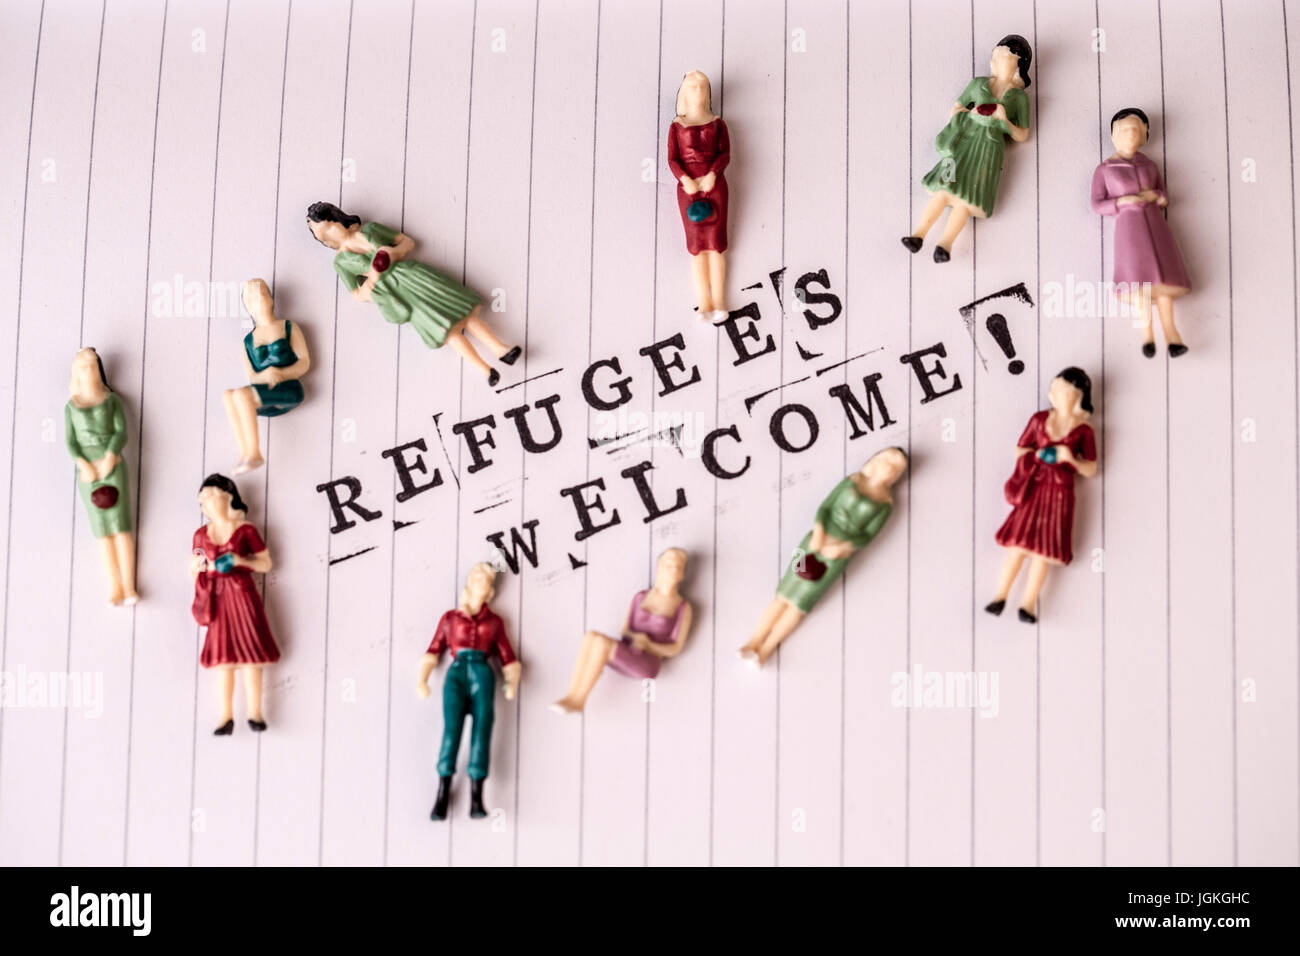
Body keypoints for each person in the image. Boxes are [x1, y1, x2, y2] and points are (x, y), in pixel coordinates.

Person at [307, 202, 521, 385]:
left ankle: (500, 349)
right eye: (321, 237)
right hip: (396, 293)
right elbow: (356, 293)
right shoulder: (341, 262)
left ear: (336, 218)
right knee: (446, 330)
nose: (327, 237)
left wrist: (394, 251)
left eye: (328, 228)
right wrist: (371, 281)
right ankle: (485, 370)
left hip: (414, 275)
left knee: (462, 311)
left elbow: (407, 241)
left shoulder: (371, 230)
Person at [741, 448, 908, 667]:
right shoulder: (852, 481)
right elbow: (825, 508)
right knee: (784, 592)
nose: (889, 468)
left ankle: (765, 650)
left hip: (837, 557)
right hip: (812, 542)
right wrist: (819, 532)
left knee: (800, 603)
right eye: (888, 461)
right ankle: (752, 642)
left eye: (896, 467)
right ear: (877, 460)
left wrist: (843, 547)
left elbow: (868, 536)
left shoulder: (886, 504)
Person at [902, 35, 1032, 262]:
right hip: (962, 144)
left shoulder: (1019, 97)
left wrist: (1004, 121)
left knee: (967, 198)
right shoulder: (977, 83)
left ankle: (946, 245)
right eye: (998, 55)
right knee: (944, 187)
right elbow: (956, 108)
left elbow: (1022, 134)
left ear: (1019, 65)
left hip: (988, 150)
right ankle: (918, 234)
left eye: (1007, 57)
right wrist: (970, 113)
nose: (1000, 60)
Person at [985, 368, 1098, 623]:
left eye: (1065, 392)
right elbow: (1020, 448)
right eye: (1056, 389)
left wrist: (1069, 459)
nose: (1058, 395)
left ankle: (1028, 605)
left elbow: (1091, 468)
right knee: (1018, 544)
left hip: (1060, 492)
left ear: (1079, 396)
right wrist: (1034, 457)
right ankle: (1000, 596)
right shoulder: (1039, 420)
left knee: (1043, 551)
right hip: (1034, 485)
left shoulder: (1084, 431)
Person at [417, 563, 521, 820]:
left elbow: (507, 655)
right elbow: (433, 649)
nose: (481, 584)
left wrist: (512, 682)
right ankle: (442, 793)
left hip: (482, 673)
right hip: (457, 671)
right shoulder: (450, 618)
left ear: (489, 591)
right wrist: (423, 679)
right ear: (470, 584)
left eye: (486, 582)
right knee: (451, 729)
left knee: (482, 729)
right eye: (478, 580)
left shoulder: (495, 622)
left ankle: (477, 797)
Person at [1091, 108, 1192, 358]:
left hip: (1156, 226)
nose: (1131, 134)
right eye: (1126, 130)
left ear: (1145, 135)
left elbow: (1164, 194)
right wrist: (1123, 202)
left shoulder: (1150, 165)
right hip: (1130, 229)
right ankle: (1147, 335)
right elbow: (1096, 204)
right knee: (1139, 283)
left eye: (1137, 130)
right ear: (1115, 135)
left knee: (1164, 282)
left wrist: (1154, 196)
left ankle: (1172, 335)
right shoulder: (1106, 169)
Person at [190, 474, 280, 734]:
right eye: (203, 500)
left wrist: (240, 562)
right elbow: (195, 568)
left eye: (212, 497)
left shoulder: (246, 531)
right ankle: (226, 716)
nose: (208, 503)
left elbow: (266, 563)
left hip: (242, 596)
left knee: (252, 657)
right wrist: (197, 569)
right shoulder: (200, 535)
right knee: (224, 660)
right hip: (217, 599)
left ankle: (255, 713)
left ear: (228, 499)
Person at [551, 548, 692, 713]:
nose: (672, 569)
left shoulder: (682, 607)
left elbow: (675, 648)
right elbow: (625, 630)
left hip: (648, 662)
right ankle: (571, 694)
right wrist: (636, 638)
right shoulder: (641, 596)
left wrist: (648, 644)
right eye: (668, 564)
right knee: (591, 637)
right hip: (630, 648)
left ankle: (579, 701)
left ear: (682, 574)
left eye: (677, 566)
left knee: (602, 643)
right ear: (659, 568)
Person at [65, 348, 138, 606]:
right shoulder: (71, 407)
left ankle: (130, 585)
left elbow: (121, 432)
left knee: (121, 527)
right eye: (82, 367)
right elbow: (71, 442)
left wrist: (109, 457)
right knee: (102, 531)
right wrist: (83, 464)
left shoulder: (112, 400)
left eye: (92, 366)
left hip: (113, 467)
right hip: (88, 474)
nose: (88, 371)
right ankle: (114, 586)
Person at [223, 278, 311, 475]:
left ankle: (254, 454)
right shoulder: (249, 340)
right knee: (229, 395)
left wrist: (282, 372)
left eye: (262, 294)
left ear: (271, 299)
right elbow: (253, 375)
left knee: (242, 396)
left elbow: (304, 361)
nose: (258, 300)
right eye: (252, 298)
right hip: (266, 390)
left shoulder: (288, 327)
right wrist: (267, 375)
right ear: (248, 306)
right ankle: (245, 453)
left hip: (289, 390)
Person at [668, 71, 730, 320]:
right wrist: (685, 179)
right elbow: (672, 159)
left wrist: (713, 175)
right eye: (692, 86)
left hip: (714, 186)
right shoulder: (676, 125)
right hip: (688, 189)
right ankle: (704, 305)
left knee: (716, 247)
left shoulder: (718, 123)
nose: (697, 91)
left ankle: (721, 302)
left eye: (701, 87)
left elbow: (725, 155)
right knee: (696, 248)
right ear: (684, 91)